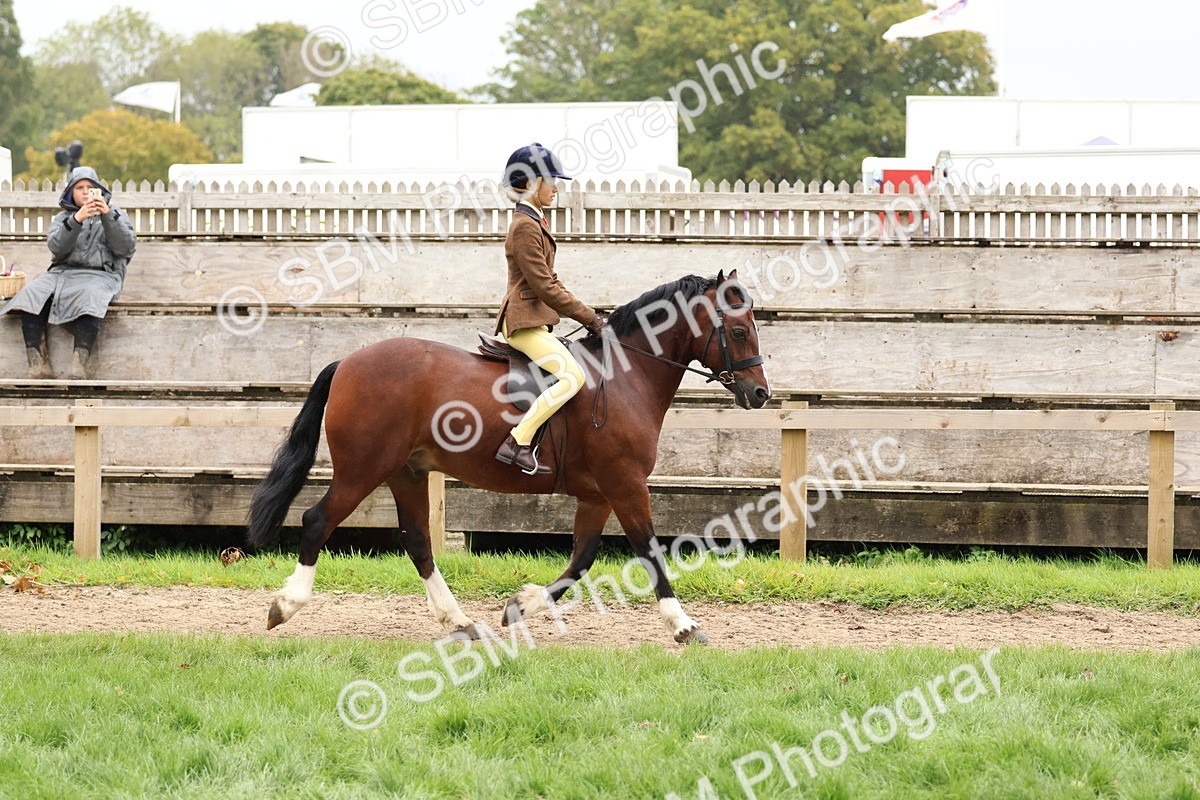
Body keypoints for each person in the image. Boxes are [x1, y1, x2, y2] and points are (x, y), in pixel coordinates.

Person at [494, 143, 605, 475]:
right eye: (551, 180)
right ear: (531, 182)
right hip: (523, 324)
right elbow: (545, 286)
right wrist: (590, 318)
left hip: (537, 322)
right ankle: (518, 442)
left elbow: (550, 281)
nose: (556, 187)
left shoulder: (534, 220)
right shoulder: (525, 226)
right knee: (573, 377)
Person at [1, 166, 136, 380]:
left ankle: (78, 366)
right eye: (79, 187)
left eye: (90, 187)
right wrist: (76, 220)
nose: (85, 192)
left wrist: (108, 216)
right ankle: (38, 364)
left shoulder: (115, 213)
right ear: (70, 192)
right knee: (31, 295)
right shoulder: (63, 217)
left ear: (99, 190)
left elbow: (126, 248)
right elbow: (57, 247)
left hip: (101, 275)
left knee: (90, 297)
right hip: (61, 274)